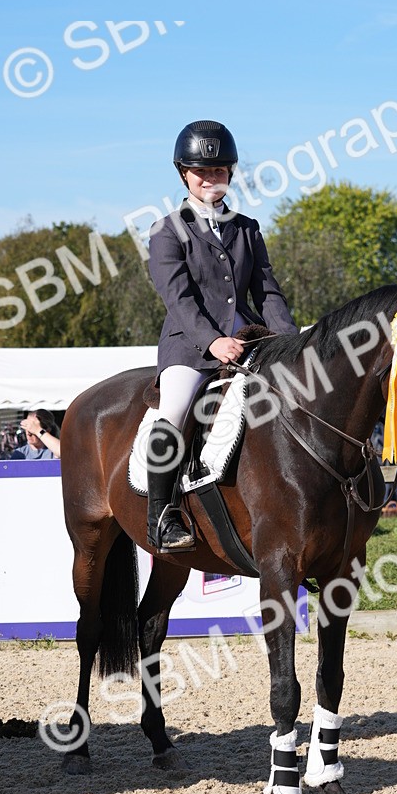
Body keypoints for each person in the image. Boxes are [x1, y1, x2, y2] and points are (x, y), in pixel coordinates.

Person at [147, 120, 297, 551]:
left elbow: (267, 291)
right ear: (184, 174)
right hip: (190, 346)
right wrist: (213, 341)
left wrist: (290, 344)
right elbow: (178, 298)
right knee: (174, 411)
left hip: (250, 342)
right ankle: (163, 514)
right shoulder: (166, 231)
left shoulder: (247, 228)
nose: (211, 179)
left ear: (230, 173)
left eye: (219, 171)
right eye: (202, 171)